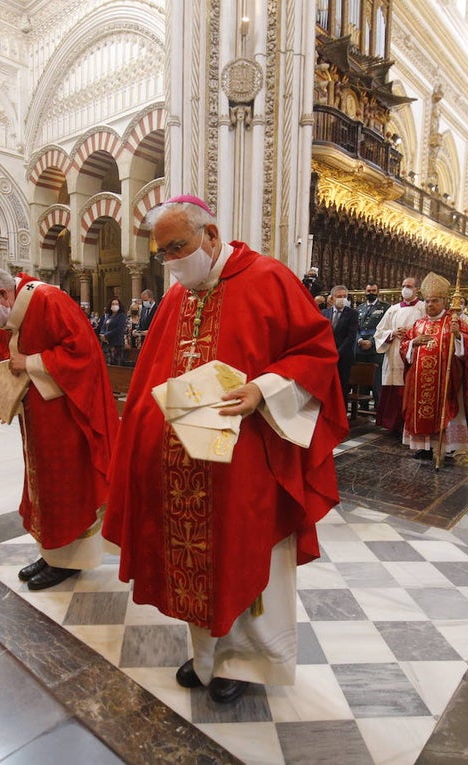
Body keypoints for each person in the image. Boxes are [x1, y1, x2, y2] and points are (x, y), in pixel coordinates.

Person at [104, 195, 347, 705]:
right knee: (195, 561)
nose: (172, 261)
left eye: (178, 247)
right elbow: (152, 374)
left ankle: (247, 661)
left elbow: (317, 352)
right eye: (163, 253)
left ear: (210, 235)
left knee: (243, 557)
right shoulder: (178, 296)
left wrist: (263, 389)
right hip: (184, 466)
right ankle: (207, 656)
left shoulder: (268, 278)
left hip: (248, 459)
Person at [0, 264, 119, 590]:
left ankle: (69, 560)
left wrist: (31, 362)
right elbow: (11, 353)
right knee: (43, 484)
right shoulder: (11, 308)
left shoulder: (48, 300)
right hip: (38, 416)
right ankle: (52, 552)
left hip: (67, 417)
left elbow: (84, 353)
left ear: (2, 293)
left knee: (66, 485)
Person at [399, 273, 468, 459]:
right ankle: (424, 447)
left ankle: (448, 446)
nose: (430, 305)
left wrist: (458, 336)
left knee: (446, 411)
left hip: (446, 381)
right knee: (421, 410)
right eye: (427, 301)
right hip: (420, 382)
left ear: (444, 301)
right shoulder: (419, 324)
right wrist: (413, 343)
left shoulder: (454, 322)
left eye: (434, 301)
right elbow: (404, 346)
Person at [372, 276, 426, 433]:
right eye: (403, 286)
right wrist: (392, 333)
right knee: (393, 389)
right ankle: (391, 424)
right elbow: (379, 332)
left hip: (413, 354)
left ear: (416, 289)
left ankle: (408, 423)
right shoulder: (393, 309)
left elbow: (428, 329)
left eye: (409, 286)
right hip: (394, 353)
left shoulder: (423, 308)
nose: (405, 289)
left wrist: (410, 333)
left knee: (409, 388)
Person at [321, 284, 360, 401]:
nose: (342, 299)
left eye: (344, 296)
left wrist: (338, 352)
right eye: (339, 296)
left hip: (343, 357)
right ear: (332, 298)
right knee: (326, 387)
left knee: (342, 388)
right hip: (327, 356)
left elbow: (351, 337)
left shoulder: (352, 314)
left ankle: (342, 411)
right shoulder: (324, 313)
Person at [355, 282, 388, 363]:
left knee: (375, 370)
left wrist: (371, 341)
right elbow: (355, 327)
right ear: (365, 292)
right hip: (360, 347)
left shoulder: (385, 307)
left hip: (376, 346)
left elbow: (385, 327)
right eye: (369, 291)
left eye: (373, 291)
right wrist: (359, 340)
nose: (371, 293)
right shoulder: (359, 308)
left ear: (378, 292)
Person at [98, 297, 127, 365]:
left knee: (115, 365)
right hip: (106, 343)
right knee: (106, 364)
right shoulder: (108, 315)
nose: (114, 305)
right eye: (113, 304)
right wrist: (102, 334)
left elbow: (119, 329)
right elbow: (103, 326)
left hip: (116, 343)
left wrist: (106, 336)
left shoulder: (122, 316)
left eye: (116, 304)